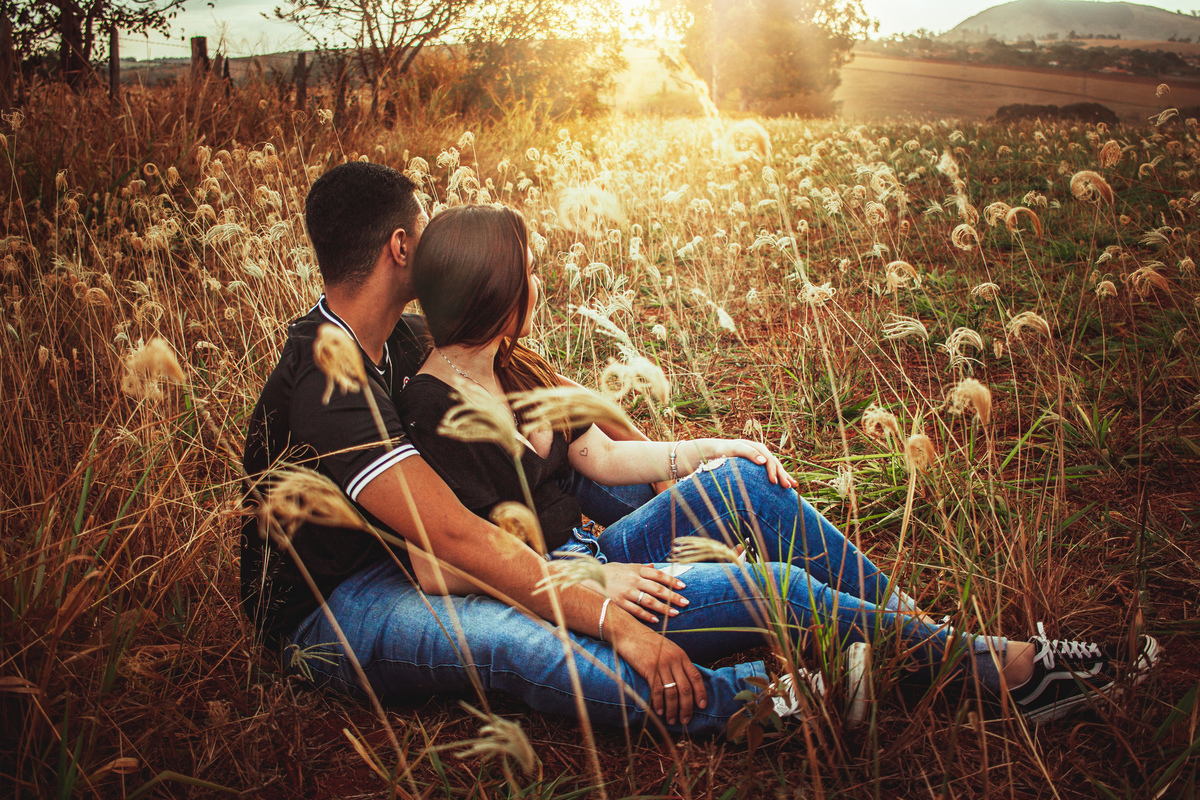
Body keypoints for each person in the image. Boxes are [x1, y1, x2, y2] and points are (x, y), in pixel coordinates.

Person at [241, 163, 1160, 737]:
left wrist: (698, 457)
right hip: (342, 604)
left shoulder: (409, 338)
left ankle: (915, 639)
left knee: (733, 491)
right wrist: (606, 603)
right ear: (403, 246)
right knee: (540, 653)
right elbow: (448, 549)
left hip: (496, 549)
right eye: (430, 232)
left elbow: (571, 435)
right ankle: (800, 699)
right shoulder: (328, 377)